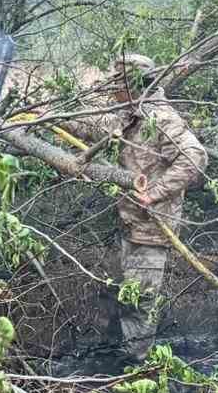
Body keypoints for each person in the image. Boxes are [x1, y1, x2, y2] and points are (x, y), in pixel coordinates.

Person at [78, 53, 209, 357]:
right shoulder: (132, 114)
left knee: (139, 304)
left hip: (151, 230)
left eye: (117, 83)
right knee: (119, 295)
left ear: (133, 84)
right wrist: (50, 116)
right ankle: (114, 357)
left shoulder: (160, 118)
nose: (112, 89)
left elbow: (195, 158)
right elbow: (96, 126)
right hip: (130, 225)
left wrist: (154, 193)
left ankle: (137, 368)